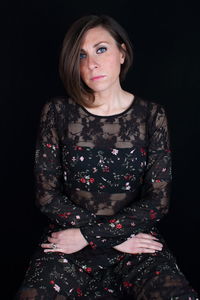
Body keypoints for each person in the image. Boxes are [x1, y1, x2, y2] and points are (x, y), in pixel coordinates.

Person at [15, 14, 199, 300]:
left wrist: (97, 235)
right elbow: (47, 195)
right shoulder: (57, 112)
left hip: (134, 242)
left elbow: (157, 201)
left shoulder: (151, 115)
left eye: (101, 49)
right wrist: (93, 235)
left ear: (122, 52)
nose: (92, 64)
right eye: (81, 55)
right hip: (68, 241)